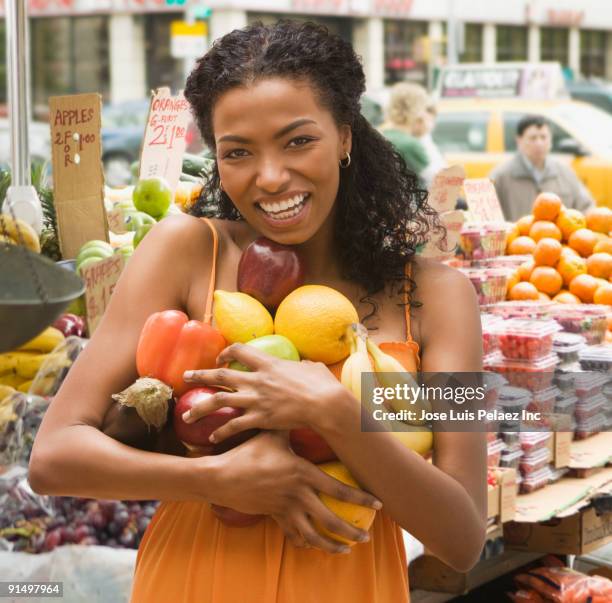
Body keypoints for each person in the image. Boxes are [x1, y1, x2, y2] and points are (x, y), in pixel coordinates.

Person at [29, 21, 486, 603]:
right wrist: (216, 480)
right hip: (193, 578)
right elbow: (55, 455)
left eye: (298, 141)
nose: (270, 177)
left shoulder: (437, 298)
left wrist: (340, 417)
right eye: (238, 152)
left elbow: (464, 534)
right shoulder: (187, 252)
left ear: (345, 137)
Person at [490, 115, 594, 222]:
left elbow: (587, 207)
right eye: (533, 138)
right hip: (517, 237)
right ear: (519, 141)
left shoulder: (565, 172)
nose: (539, 143)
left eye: (543, 137)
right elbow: (487, 216)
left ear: (550, 141)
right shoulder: (501, 176)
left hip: (557, 237)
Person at [380, 82, 431, 186]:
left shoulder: (380, 136)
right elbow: (435, 179)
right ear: (417, 111)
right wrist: (425, 134)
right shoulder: (411, 145)